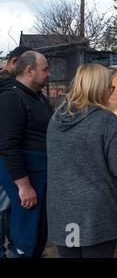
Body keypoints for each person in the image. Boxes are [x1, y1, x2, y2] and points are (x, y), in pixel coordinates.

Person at [46, 64, 117, 258]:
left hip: (63, 209)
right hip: (96, 214)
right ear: (99, 88)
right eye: (110, 87)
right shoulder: (105, 120)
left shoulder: (55, 119)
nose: (111, 92)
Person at [0, 51, 53, 258]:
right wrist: (23, 186)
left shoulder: (38, 97)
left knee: (39, 233)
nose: (49, 74)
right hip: (26, 179)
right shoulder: (11, 98)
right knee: (26, 238)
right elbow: (6, 145)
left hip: (41, 177)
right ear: (29, 70)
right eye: (45, 69)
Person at [0, 46, 33, 258]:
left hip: (8, 157)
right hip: (5, 156)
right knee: (3, 208)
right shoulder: (6, 87)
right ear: (13, 62)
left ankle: (14, 247)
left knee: (9, 206)